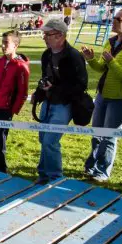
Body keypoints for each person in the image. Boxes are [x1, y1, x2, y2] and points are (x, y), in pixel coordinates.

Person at [81, 9, 122, 182]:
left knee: (109, 136)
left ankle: (102, 171)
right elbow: (101, 69)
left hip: (121, 99)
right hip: (103, 95)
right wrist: (91, 59)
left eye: (118, 19)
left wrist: (111, 61)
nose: (113, 21)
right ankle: (91, 166)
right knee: (96, 134)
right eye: (113, 18)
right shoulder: (110, 43)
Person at [35, 19, 88, 184]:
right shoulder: (47, 54)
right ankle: (43, 175)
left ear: (60, 36)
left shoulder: (73, 56)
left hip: (64, 104)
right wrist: (39, 92)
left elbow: (81, 85)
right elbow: (46, 77)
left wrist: (55, 89)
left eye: (48, 34)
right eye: (44, 34)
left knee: (51, 141)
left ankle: (55, 177)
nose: (44, 37)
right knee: (43, 139)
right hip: (48, 102)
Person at [0, 31, 30, 173]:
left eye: (6, 42)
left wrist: (13, 110)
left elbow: (23, 92)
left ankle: (1, 168)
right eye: (2, 41)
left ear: (15, 45)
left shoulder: (21, 66)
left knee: (0, 138)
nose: (3, 45)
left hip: (5, 109)